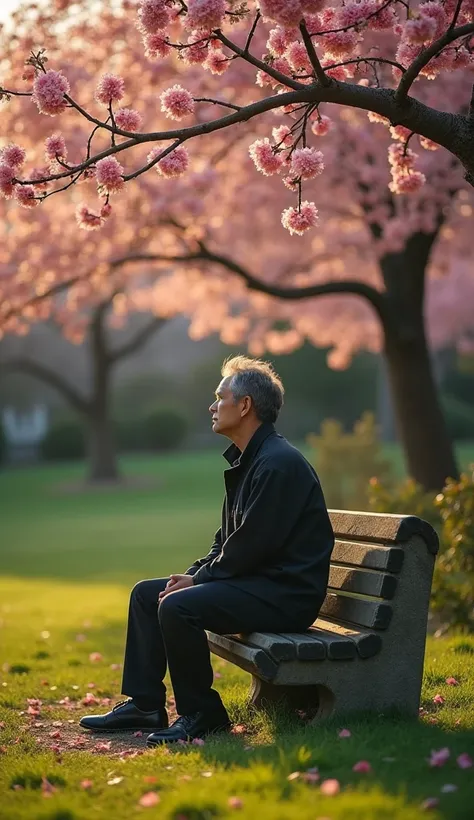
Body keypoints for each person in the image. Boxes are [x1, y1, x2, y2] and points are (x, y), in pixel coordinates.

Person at [80, 355, 334, 746]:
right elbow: (227, 540)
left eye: (220, 397)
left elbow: (252, 546)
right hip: (259, 584)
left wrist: (198, 581)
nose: (212, 406)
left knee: (178, 606)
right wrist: (194, 573)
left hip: (286, 595)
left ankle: (203, 712)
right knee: (148, 594)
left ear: (245, 405)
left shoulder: (278, 465)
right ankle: (145, 704)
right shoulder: (253, 460)